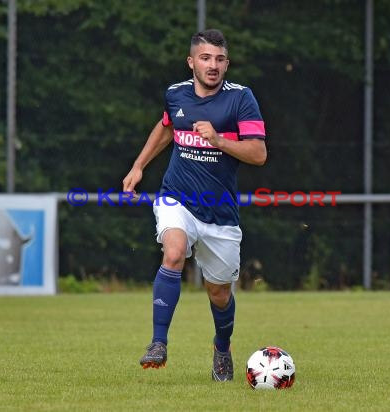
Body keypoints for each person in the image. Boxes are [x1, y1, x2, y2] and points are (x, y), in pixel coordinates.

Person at [122, 29, 267, 381]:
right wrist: (139, 165)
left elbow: (258, 153)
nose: (213, 65)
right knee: (173, 253)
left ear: (227, 64)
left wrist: (218, 140)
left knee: (218, 293)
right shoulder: (176, 94)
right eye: (205, 58)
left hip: (220, 213)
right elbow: (166, 127)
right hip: (177, 197)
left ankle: (221, 346)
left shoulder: (241, 100)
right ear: (192, 62)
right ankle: (158, 343)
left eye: (219, 59)